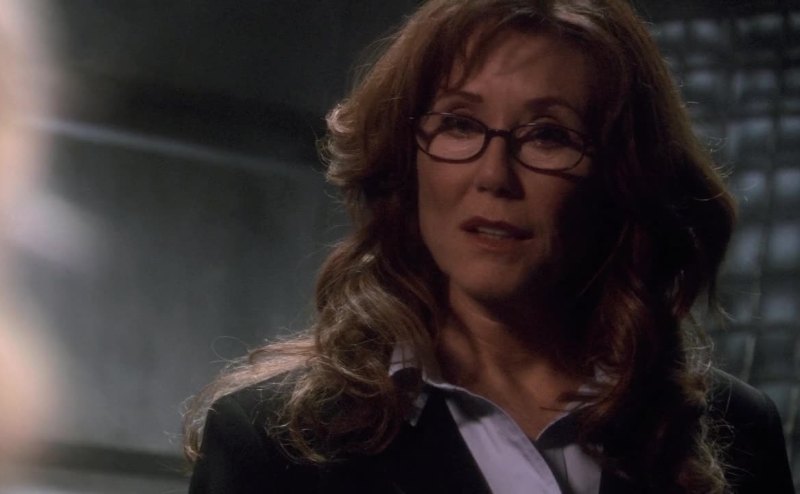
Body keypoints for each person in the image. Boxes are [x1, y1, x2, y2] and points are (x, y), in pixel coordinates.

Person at [184, 0, 794, 492]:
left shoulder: (733, 429)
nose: (495, 176)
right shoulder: (273, 444)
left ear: (623, 176)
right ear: (406, 160)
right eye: (459, 124)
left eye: (548, 135)